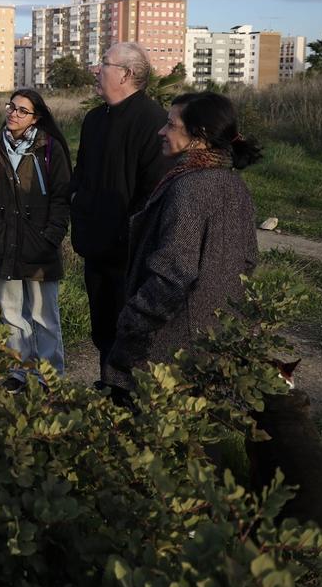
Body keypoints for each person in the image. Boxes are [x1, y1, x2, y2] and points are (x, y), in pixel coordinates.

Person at [103, 91, 262, 391]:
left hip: (173, 341)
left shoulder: (189, 187)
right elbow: (249, 260)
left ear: (198, 135)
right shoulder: (232, 183)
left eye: (171, 124)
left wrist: (133, 322)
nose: (161, 131)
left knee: (153, 429)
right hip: (215, 337)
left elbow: (174, 274)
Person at [70, 41, 172, 382]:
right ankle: (107, 393)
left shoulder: (154, 121)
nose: (97, 70)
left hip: (131, 254)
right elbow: (81, 177)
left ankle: (125, 402)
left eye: (104, 63)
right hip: (94, 246)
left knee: (129, 330)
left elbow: (152, 193)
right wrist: (80, 217)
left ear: (126, 74)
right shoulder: (95, 119)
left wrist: (125, 237)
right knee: (102, 328)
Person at [0, 89, 72, 391]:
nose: (13, 114)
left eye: (22, 110)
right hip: (6, 242)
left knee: (44, 314)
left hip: (40, 243)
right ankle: (19, 371)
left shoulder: (50, 149)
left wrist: (52, 236)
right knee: (11, 311)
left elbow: (61, 197)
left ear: (36, 117)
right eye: (11, 107)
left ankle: (49, 376)